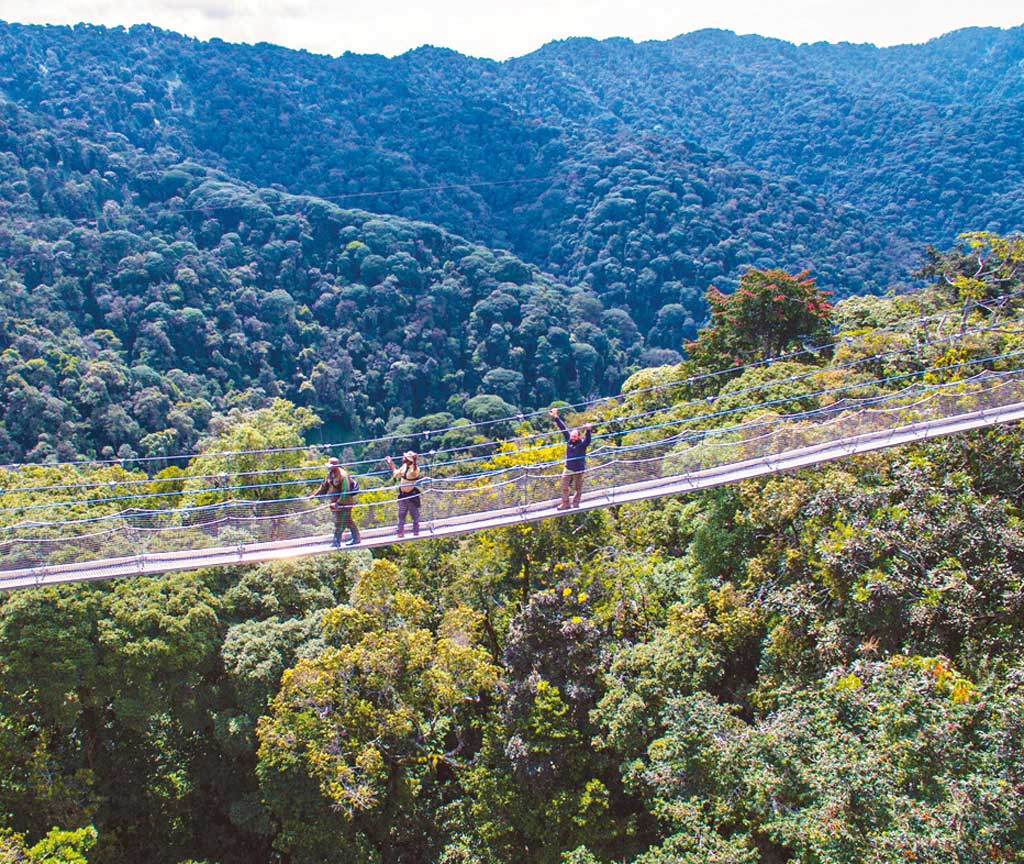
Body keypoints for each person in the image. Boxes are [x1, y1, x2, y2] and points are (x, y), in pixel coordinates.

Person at [311, 457, 360, 547]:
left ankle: (336, 542)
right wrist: (315, 495)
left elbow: (345, 491)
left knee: (340, 522)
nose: (328, 468)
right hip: (335, 504)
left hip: (345, 504)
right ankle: (357, 539)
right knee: (348, 521)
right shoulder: (330, 474)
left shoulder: (343, 475)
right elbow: (324, 487)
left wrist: (338, 503)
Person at [550, 407, 592, 509]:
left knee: (578, 488)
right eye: (572, 436)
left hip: (579, 470)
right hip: (568, 468)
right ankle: (565, 503)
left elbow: (588, 440)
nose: (572, 438)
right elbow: (563, 428)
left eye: (574, 436)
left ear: (578, 437)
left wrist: (588, 430)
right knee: (564, 486)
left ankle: (576, 503)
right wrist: (556, 416)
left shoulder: (582, 444)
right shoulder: (569, 440)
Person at [385, 450, 421, 537]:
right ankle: (400, 533)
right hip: (403, 494)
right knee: (401, 514)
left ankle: (416, 532)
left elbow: (414, 472)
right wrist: (391, 463)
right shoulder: (404, 466)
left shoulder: (414, 469)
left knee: (414, 514)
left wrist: (415, 462)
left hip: (411, 494)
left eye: (405, 458)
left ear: (409, 460)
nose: (403, 458)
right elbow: (396, 473)